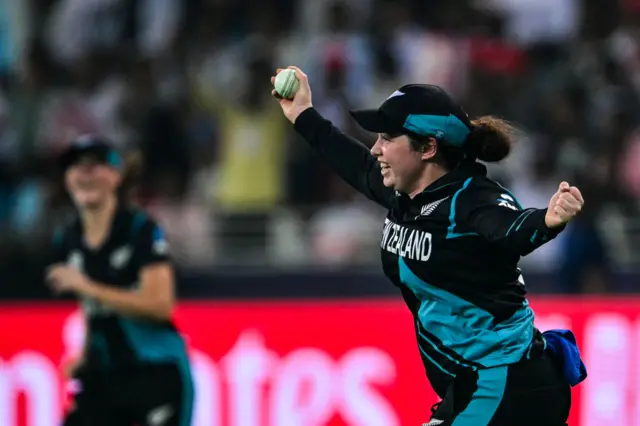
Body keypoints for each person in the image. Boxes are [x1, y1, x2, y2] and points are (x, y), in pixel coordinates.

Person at [272, 66, 587, 426]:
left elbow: (510, 229)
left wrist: (547, 221)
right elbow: (355, 164)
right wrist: (302, 113)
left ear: (428, 147)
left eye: (388, 137)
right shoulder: (406, 195)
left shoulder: (473, 199)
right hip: (471, 384)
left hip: (509, 383)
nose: (376, 148)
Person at [46, 135, 194, 426]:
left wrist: (87, 286)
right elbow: (93, 310)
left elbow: (159, 305)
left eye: (95, 165)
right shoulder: (69, 238)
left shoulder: (139, 229)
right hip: (104, 375)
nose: (85, 174)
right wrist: (85, 356)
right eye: (76, 167)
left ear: (115, 176)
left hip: (155, 372)